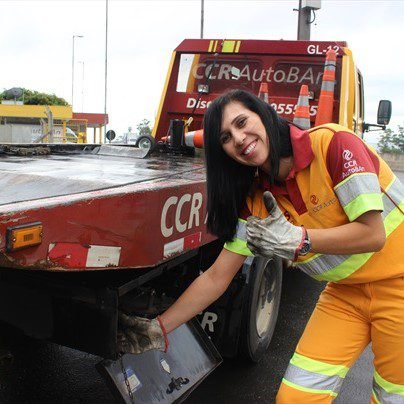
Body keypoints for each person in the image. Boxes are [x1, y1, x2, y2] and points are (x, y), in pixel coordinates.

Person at [117, 89, 404, 403]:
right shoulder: (256, 199)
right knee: (295, 399)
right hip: (346, 294)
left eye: (242, 122)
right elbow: (216, 277)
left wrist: (300, 239)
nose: (239, 138)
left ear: (264, 115)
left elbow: (373, 234)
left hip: (399, 286)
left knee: (391, 397)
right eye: (226, 137)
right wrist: (160, 328)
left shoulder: (333, 144)